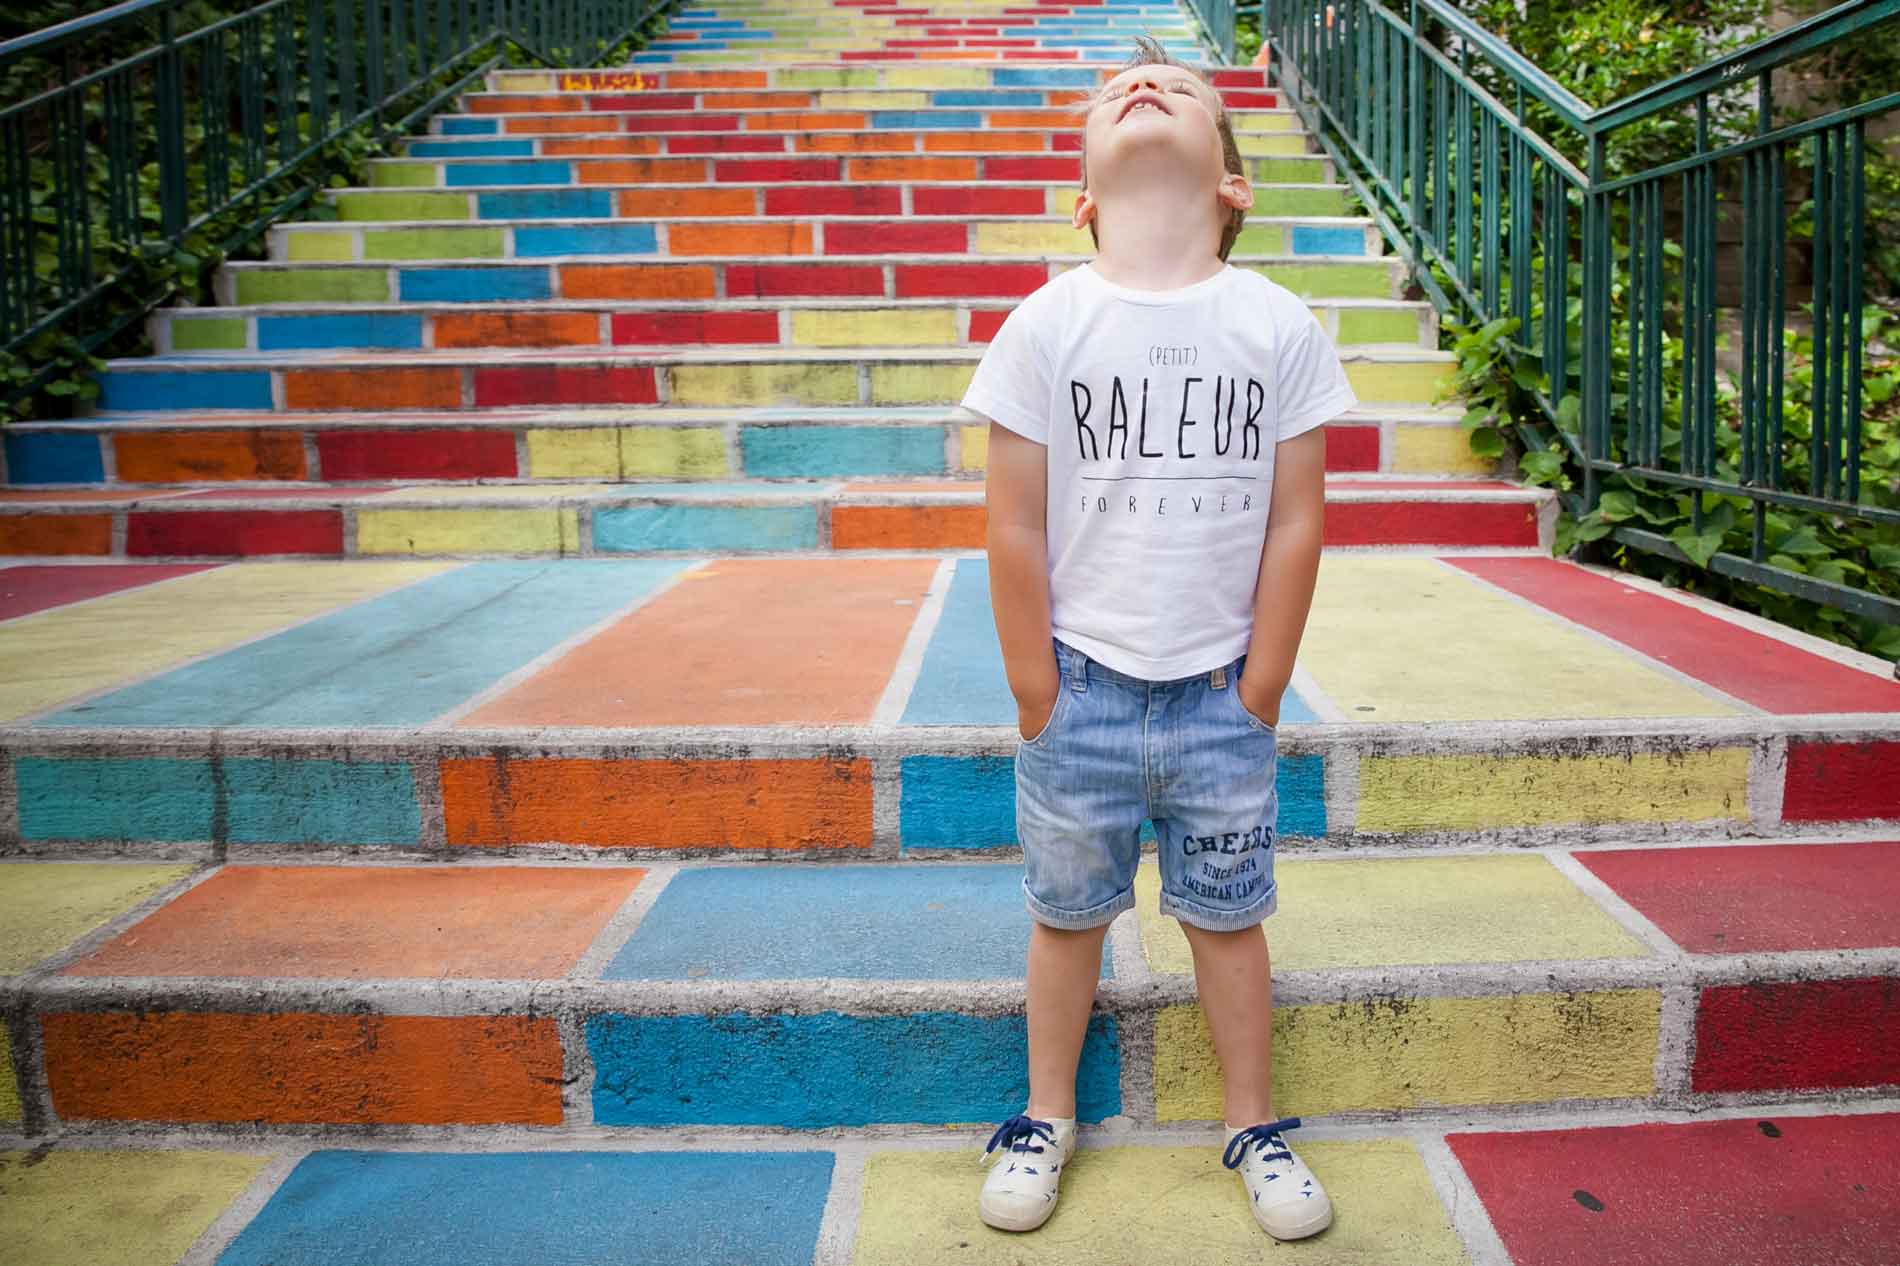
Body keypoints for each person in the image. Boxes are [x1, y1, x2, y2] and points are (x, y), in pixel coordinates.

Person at [959, 33, 1357, 1243]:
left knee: (1227, 915)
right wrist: (1034, 689)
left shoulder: (1276, 323)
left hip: (1217, 693)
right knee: (1066, 911)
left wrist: (1265, 685)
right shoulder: (1045, 323)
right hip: (1079, 684)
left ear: (1233, 183)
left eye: (1181, 88)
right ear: (1082, 194)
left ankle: (1252, 1122)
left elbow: (1296, 521)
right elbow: (1013, 524)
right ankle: (1043, 1115)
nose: (1144, 90)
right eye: (1120, 91)